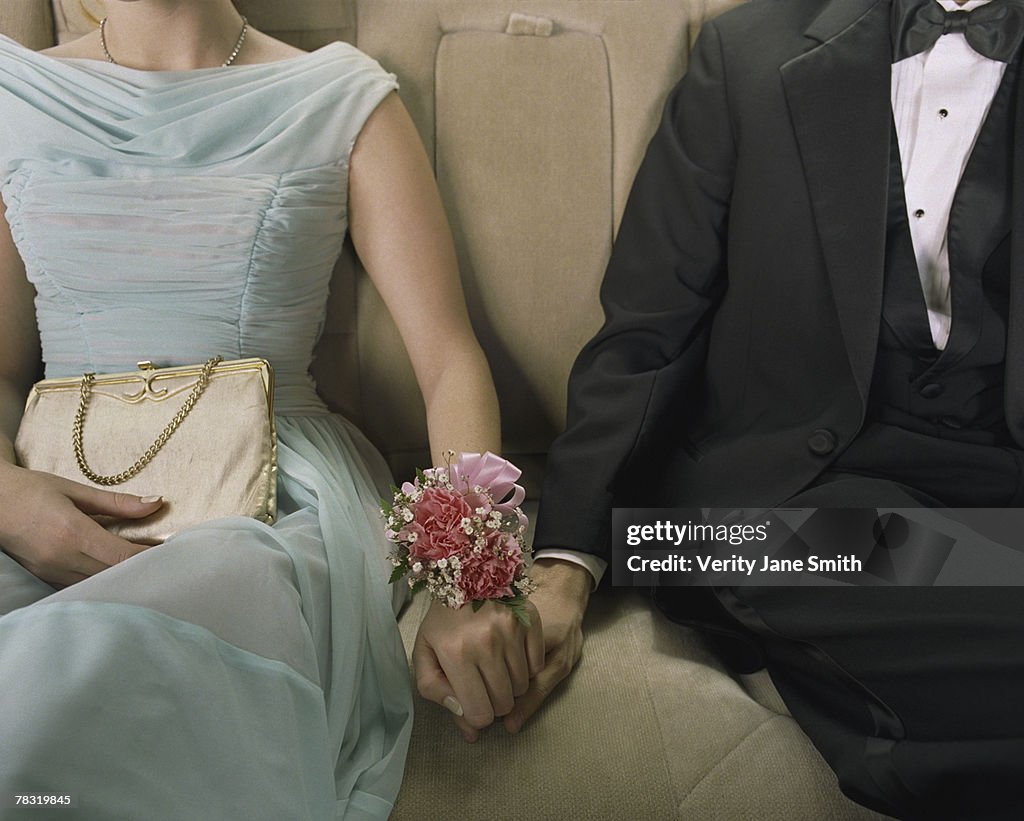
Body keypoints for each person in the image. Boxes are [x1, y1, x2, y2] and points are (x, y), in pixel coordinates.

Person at [0, 1, 543, 817]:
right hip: (49, 492)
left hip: (276, 501)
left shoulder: (340, 97)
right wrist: (4, 498)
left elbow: (449, 361)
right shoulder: (15, 96)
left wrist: (470, 582)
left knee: (207, 594)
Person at [528, 0, 1024, 819]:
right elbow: (648, 328)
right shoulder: (745, 52)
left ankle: (876, 702)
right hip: (759, 512)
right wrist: (566, 561)